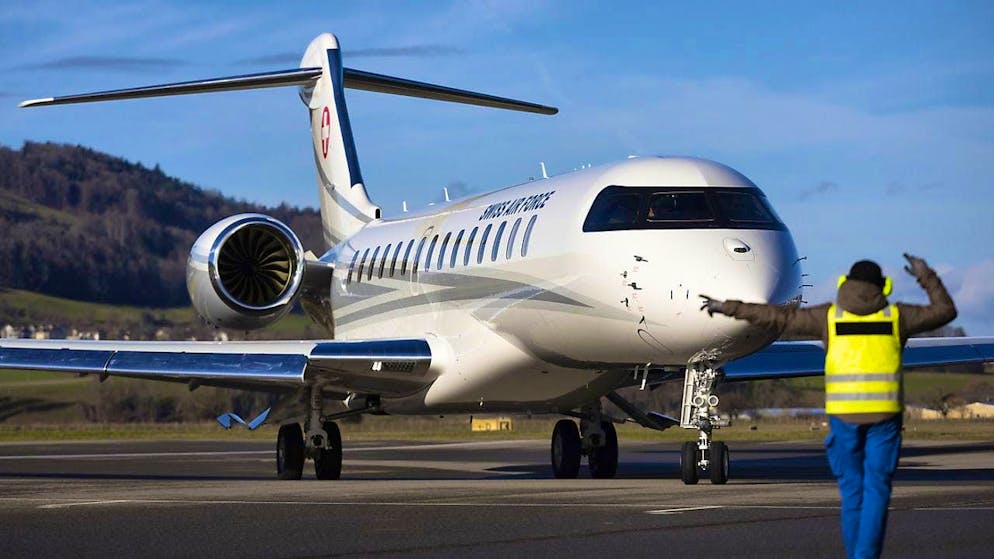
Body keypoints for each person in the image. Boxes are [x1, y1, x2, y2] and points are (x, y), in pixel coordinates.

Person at [700, 254, 956, 559]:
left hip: (844, 418)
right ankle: (865, 555)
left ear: (844, 284)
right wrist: (926, 275)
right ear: (883, 287)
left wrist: (727, 307)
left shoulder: (829, 317)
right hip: (884, 419)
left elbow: (776, 317)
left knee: (852, 494)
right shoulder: (897, 317)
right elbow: (945, 311)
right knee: (877, 490)